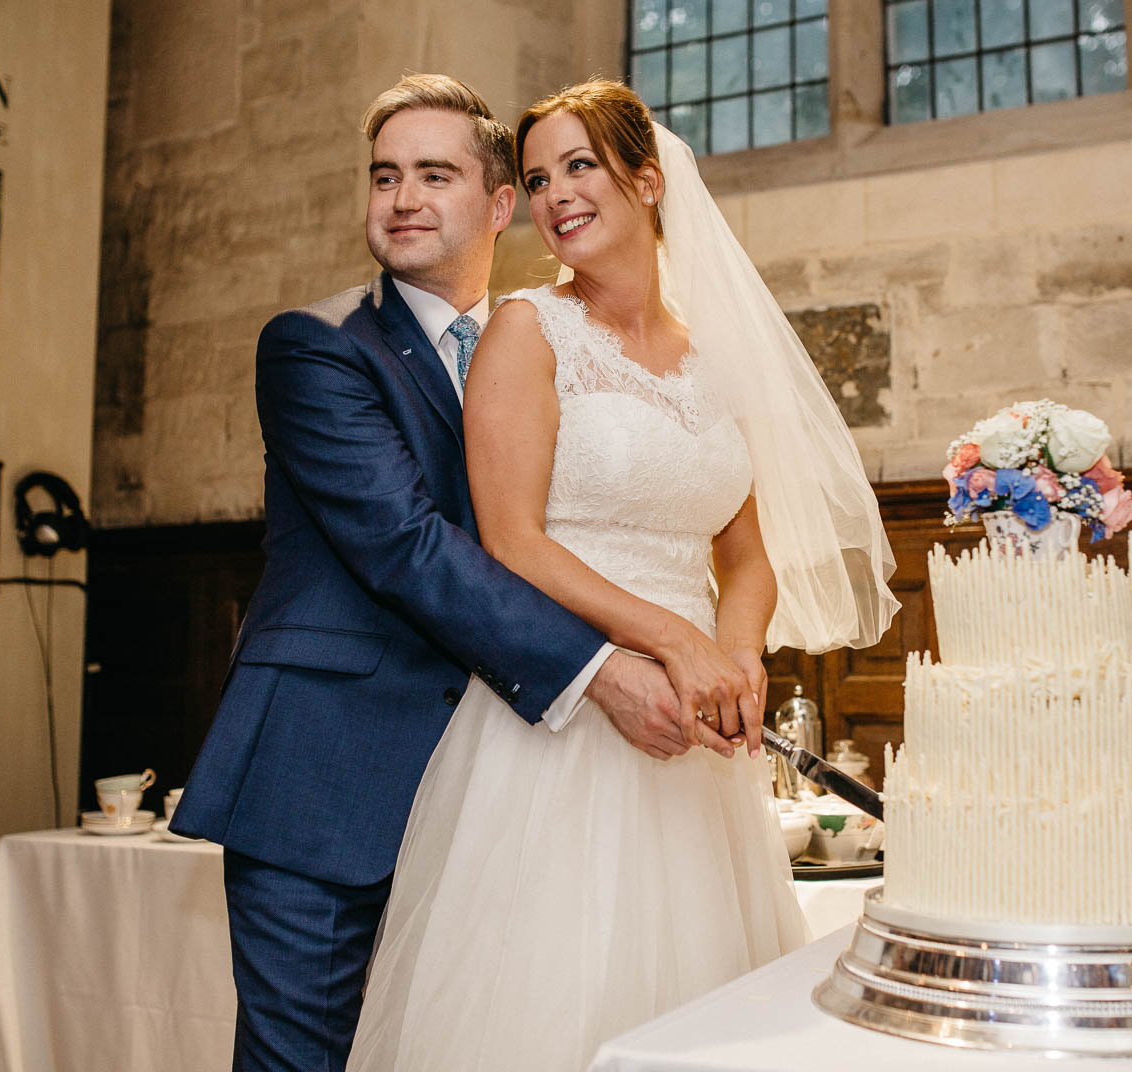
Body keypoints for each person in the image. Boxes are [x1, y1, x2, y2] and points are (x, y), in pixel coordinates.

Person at [169, 74, 748, 1071]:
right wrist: (609, 669)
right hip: (328, 777)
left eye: (434, 175)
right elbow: (410, 549)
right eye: (384, 175)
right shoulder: (321, 346)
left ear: (497, 206)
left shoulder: (541, 340)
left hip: (489, 788)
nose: (401, 199)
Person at [347, 80, 897, 1072]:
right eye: (540, 176)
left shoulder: (714, 358)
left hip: (692, 745)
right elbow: (511, 542)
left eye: (580, 166)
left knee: (699, 990)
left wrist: (734, 654)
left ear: (647, 181)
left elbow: (745, 552)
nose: (556, 194)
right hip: (562, 722)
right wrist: (673, 638)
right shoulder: (527, 331)